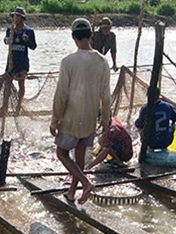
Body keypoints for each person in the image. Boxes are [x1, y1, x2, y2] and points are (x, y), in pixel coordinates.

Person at [50, 17, 111, 205]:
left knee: (61, 153)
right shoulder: (102, 61)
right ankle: (71, 192)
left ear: (73, 37)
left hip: (71, 118)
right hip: (90, 118)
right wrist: (106, 119)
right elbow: (106, 95)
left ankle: (85, 183)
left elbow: (61, 94)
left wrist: (55, 120)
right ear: (91, 35)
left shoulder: (68, 61)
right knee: (79, 156)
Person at [2, 7, 37, 111]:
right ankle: (5, 107)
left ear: (22, 18)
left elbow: (33, 46)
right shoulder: (10, 30)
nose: (15, 18)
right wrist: (7, 40)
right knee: (7, 84)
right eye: (14, 16)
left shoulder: (29, 31)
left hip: (22, 62)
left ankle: (18, 105)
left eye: (17, 16)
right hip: (11, 62)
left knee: (21, 84)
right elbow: (5, 40)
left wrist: (27, 41)